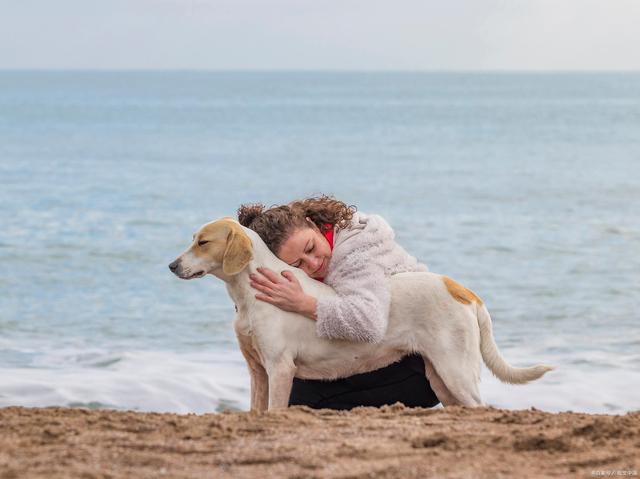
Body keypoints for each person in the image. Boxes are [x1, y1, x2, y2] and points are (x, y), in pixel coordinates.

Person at [237, 195, 439, 410]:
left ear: (314, 225)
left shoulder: (357, 250)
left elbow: (368, 323)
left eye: (310, 247)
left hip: (418, 364)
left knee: (298, 400)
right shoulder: (303, 262)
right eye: (298, 264)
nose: (313, 264)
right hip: (373, 356)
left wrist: (303, 303)